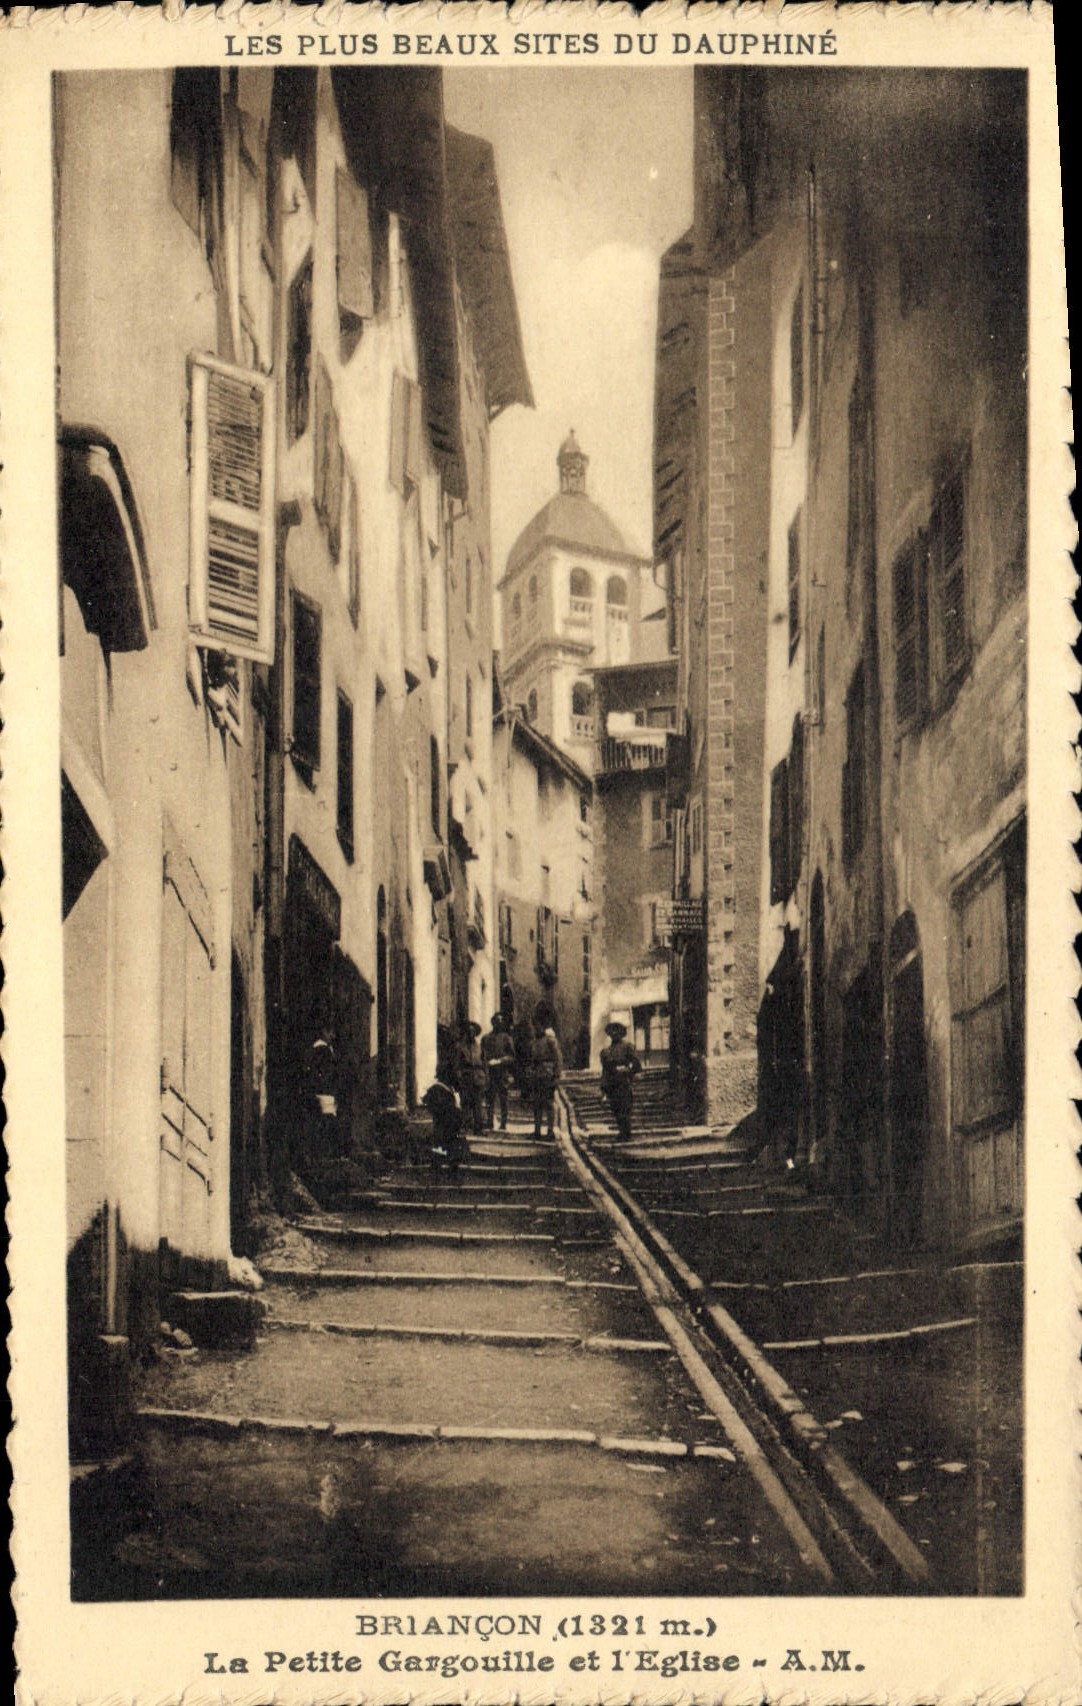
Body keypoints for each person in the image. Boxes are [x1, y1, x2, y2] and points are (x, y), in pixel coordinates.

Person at [600, 1020, 642, 1141]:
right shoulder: (606, 1052)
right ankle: (621, 1132)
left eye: (617, 1030)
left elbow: (636, 1065)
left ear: (622, 1033)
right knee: (615, 1108)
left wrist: (627, 1071)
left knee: (625, 1108)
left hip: (624, 1083)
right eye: (612, 1031)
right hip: (612, 1084)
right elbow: (605, 1071)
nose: (614, 1033)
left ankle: (626, 1133)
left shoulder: (628, 1047)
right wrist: (603, 1088)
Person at [421, 1073, 468, 1180]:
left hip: (442, 1125)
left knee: (439, 1147)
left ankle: (437, 1172)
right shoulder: (446, 1091)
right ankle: (451, 1173)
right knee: (449, 1148)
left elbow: (426, 1102)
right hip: (448, 1125)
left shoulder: (436, 1089)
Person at [529, 1010, 563, 1140]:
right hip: (536, 1076)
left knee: (549, 1104)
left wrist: (556, 1075)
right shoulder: (534, 1042)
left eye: (538, 1025)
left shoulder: (550, 1041)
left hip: (548, 1075)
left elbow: (558, 1059)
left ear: (543, 1026)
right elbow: (532, 1060)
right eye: (534, 1026)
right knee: (537, 1104)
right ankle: (537, 1131)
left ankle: (550, 1131)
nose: (535, 1028)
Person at [480, 1012, 516, 1131]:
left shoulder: (507, 1038)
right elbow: (481, 1056)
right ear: (492, 1023)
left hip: (502, 1072)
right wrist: (486, 1064)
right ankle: (490, 1121)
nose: (498, 1023)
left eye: (501, 1021)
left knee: (503, 1099)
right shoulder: (485, 1038)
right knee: (489, 1098)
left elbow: (512, 1056)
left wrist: (500, 1061)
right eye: (496, 1021)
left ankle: (503, 1123)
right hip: (489, 1072)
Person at [455, 1020, 487, 1135]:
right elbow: (457, 1065)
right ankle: (465, 1128)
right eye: (468, 1031)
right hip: (466, 1077)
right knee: (466, 1104)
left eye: (473, 1031)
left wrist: (485, 1078)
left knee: (478, 1104)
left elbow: (484, 1063)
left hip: (478, 1077)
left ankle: (478, 1128)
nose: (471, 1033)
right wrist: (459, 1079)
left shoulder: (479, 1047)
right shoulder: (460, 1047)